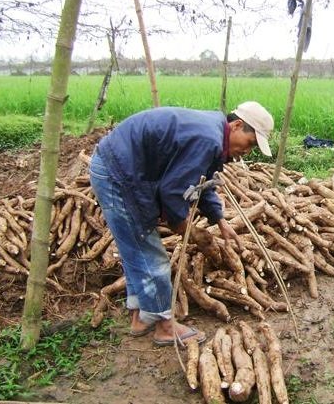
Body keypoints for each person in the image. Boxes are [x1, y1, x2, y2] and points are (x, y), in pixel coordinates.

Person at [89, 101, 274, 346]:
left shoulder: (213, 133)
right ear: (237, 125)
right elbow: (173, 192)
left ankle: (140, 318)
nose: (247, 152)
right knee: (151, 256)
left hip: (121, 169)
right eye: (250, 143)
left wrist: (219, 220)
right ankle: (165, 327)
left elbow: (201, 180)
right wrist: (188, 230)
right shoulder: (208, 138)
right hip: (118, 175)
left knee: (136, 251)